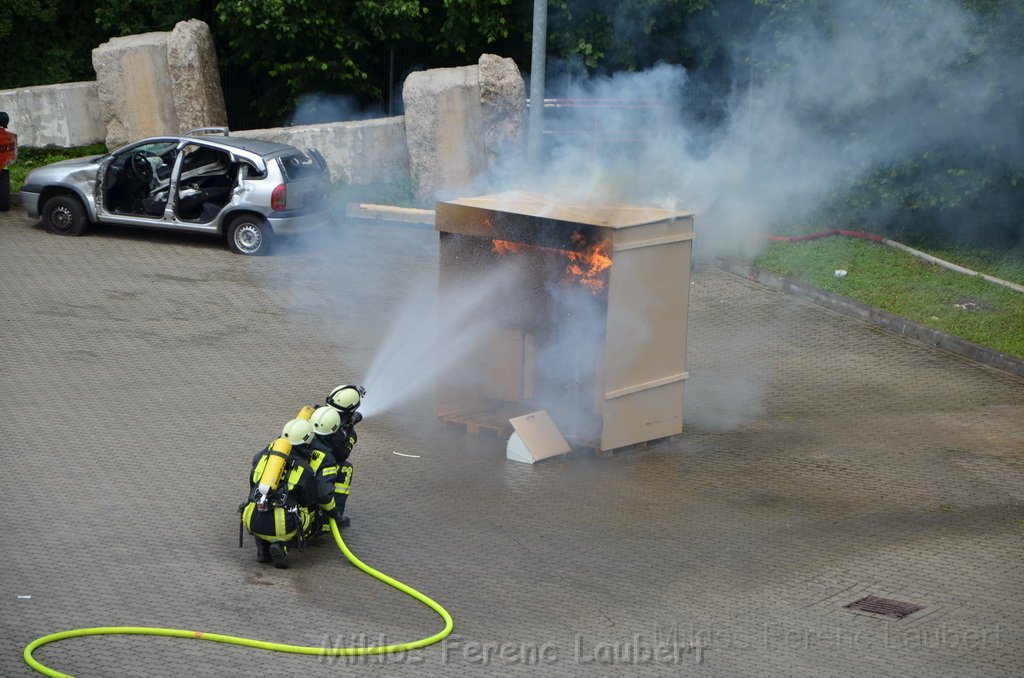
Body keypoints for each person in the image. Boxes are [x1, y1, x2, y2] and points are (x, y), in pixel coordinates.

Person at [240, 432, 319, 569]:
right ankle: (282, 547)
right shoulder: (303, 469)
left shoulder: (261, 458)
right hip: (282, 525)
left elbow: (252, 486)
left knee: (260, 508)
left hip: (252, 519)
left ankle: (262, 549)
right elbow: (308, 500)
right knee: (309, 517)